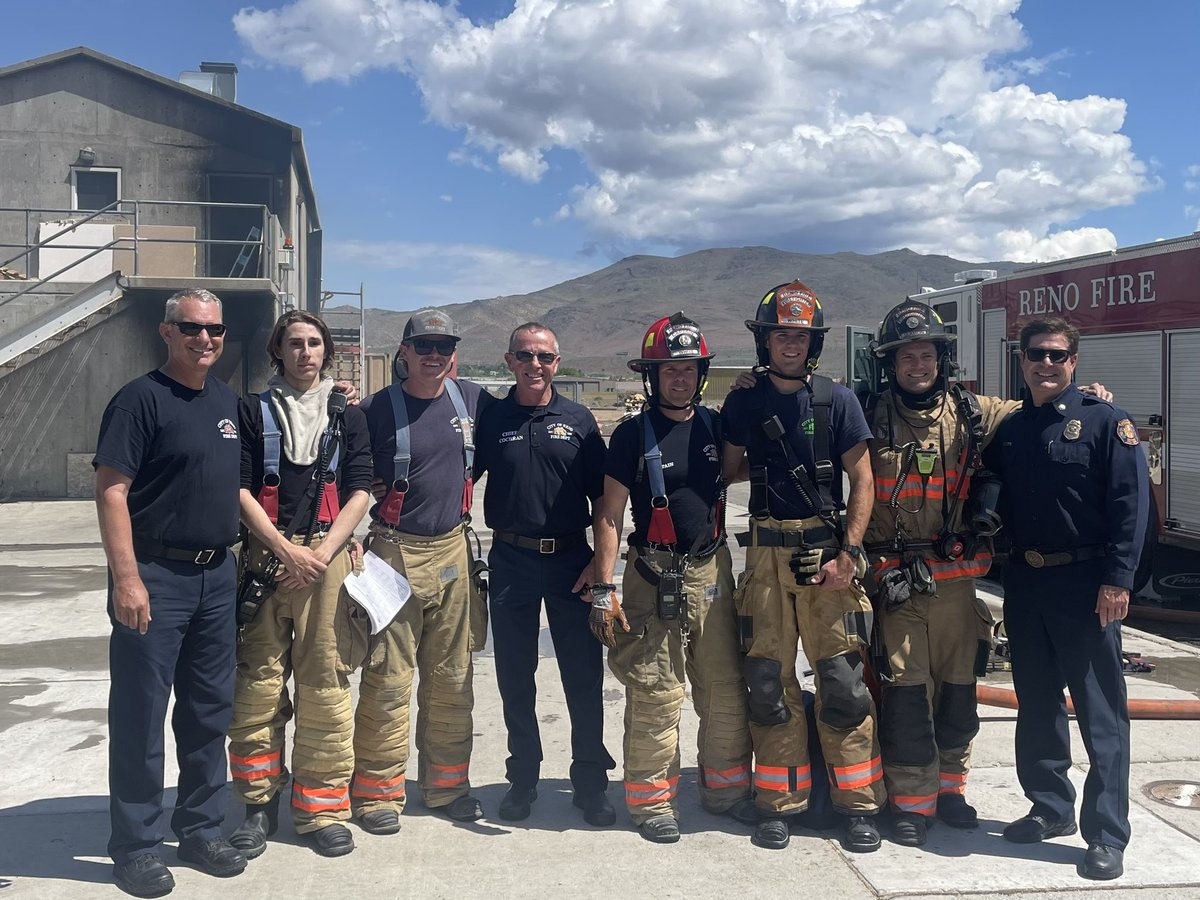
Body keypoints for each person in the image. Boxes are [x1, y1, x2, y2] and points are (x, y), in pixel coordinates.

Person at [720, 281, 885, 852]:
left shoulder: (838, 401)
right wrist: (739, 402)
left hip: (827, 558)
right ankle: (778, 802)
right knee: (768, 682)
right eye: (780, 335)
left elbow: (863, 480)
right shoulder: (743, 402)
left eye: (800, 335)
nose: (790, 345)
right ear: (765, 341)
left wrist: (852, 553)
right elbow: (727, 469)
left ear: (812, 342)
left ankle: (858, 805)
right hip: (765, 556)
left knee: (842, 683)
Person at [984, 317, 1148, 881]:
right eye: (1036, 355)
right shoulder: (1010, 429)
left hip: (1086, 587)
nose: (1046, 364)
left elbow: (1131, 505)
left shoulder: (1107, 422)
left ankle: (1106, 834)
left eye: (1057, 355)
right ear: (1022, 360)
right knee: (1037, 707)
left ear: (1074, 362)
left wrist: (1118, 580)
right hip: (1026, 586)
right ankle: (1051, 809)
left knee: (1101, 714)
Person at [94, 288, 246, 897]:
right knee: (141, 712)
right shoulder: (138, 401)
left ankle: (201, 828)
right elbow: (111, 492)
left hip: (216, 578)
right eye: (191, 328)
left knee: (209, 710)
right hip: (155, 577)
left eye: (214, 330)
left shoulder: (226, 402)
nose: (204, 339)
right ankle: (135, 844)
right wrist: (126, 578)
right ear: (166, 331)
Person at [591, 313, 755, 843]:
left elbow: (742, 467)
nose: (679, 378)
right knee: (656, 688)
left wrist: (751, 394)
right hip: (651, 573)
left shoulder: (715, 426)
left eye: (688, 369)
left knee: (724, 687)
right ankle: (653, 801)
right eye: (669, 370)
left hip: (710, 570)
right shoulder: (631, 435)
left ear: (701, 374)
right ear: (652, 376)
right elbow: (610, 514)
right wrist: (603, 585)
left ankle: (726, 792)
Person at [860, 301, 1018, 847]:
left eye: (927, 354)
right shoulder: (864, 413)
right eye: (907, 356)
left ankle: (950, 791)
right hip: (896, 584)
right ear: (891, 364)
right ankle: (910, 801)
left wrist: (1086, 400)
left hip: (956, 587)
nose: (918, 365)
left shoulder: (975, 411)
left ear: (941, 359)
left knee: (958, 694)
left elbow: (1040, 408)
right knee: (904, 696)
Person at [226, 311, 372, 859]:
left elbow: (360, 490)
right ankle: (258, 805)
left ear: (325, 351)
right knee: (258, 686)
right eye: (295, 343)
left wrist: (322, 553)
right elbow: (238, 488)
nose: (306, 352)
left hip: (326, 559)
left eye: (314, 343)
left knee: (326, 687)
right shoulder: (251, 410)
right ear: (278, 351)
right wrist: (287, 550)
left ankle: (321, 808)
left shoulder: (347, 415)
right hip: (268, 557)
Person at [354, 309, 493, 832]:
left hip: (454, 551)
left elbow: (529, 413)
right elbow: (341, 472)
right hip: (392, 555)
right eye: (424, 346)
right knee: (388, 679)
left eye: (444, 346)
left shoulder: (472, 400)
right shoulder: (372, 410)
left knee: (452, 678)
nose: (435, 355)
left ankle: (447, 786)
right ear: (404, 353)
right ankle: (378, 793)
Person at [473, 322, 616, 825]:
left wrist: (602, 569)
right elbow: (459, 474)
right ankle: (523, 780)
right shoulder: (490, 418)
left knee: (583, 676)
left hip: (570, 563)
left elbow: (604, 499)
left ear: (558, 362)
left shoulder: (578, 420)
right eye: (526, 356)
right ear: (509, 360)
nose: (536, 365)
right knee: (515, 675)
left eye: (546, 357)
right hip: (511, 560)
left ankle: (591, 783)